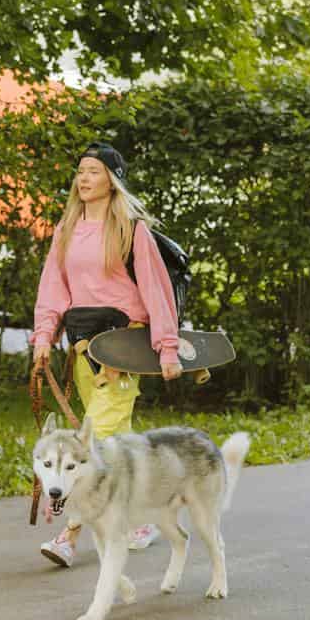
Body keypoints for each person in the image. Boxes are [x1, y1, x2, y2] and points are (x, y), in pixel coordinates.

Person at [30, 142, 181, 568]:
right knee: (120, 441)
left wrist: (166, 348)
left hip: (123, 350)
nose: (83, 178)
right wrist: (44, 336)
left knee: (91, 442)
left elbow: (157, 291)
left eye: (93, 171)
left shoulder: (132, 230)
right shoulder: (67, 231)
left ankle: (68, 536)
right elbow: (53, 289)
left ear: (112, 180)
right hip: (83, 348)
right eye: (80, 171)